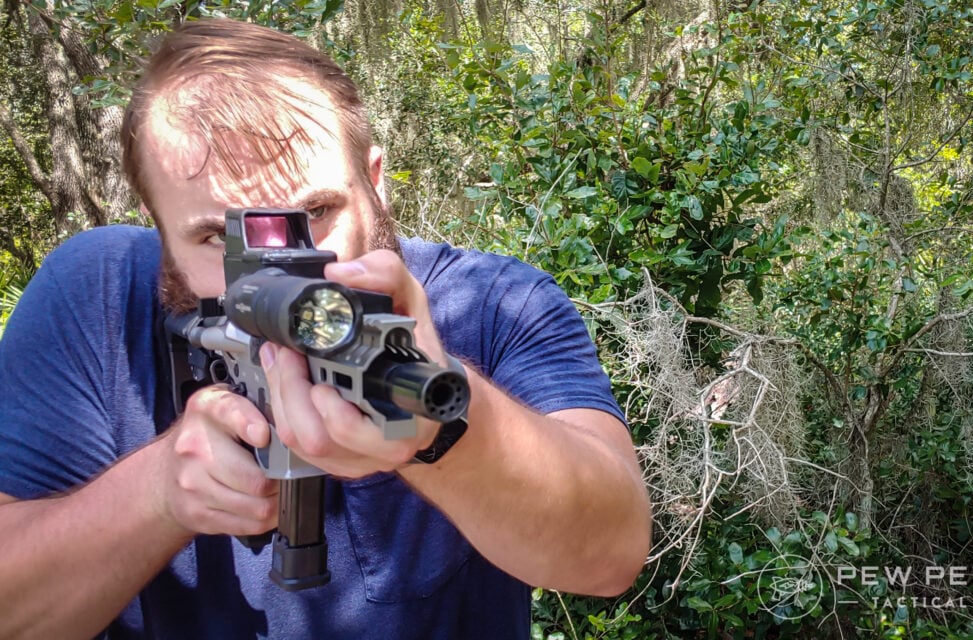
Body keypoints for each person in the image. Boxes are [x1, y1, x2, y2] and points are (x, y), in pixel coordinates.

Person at [0, 18, 651, 639]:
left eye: (314, 212)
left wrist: (451, 434)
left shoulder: (496, 301)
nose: (284, 265)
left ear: (375, 182)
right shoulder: (97, 296)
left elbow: (611, 553)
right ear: (156, 224)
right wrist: (158, 493)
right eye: (216, 237)